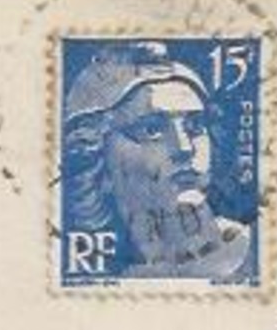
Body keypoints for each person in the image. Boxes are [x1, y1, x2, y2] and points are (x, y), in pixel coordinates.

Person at [63, 42, 254, 282]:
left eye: (195, 126)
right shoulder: (77, 254)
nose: (185, 148)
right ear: (95, 156)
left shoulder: (243, 247)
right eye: (152, 129)